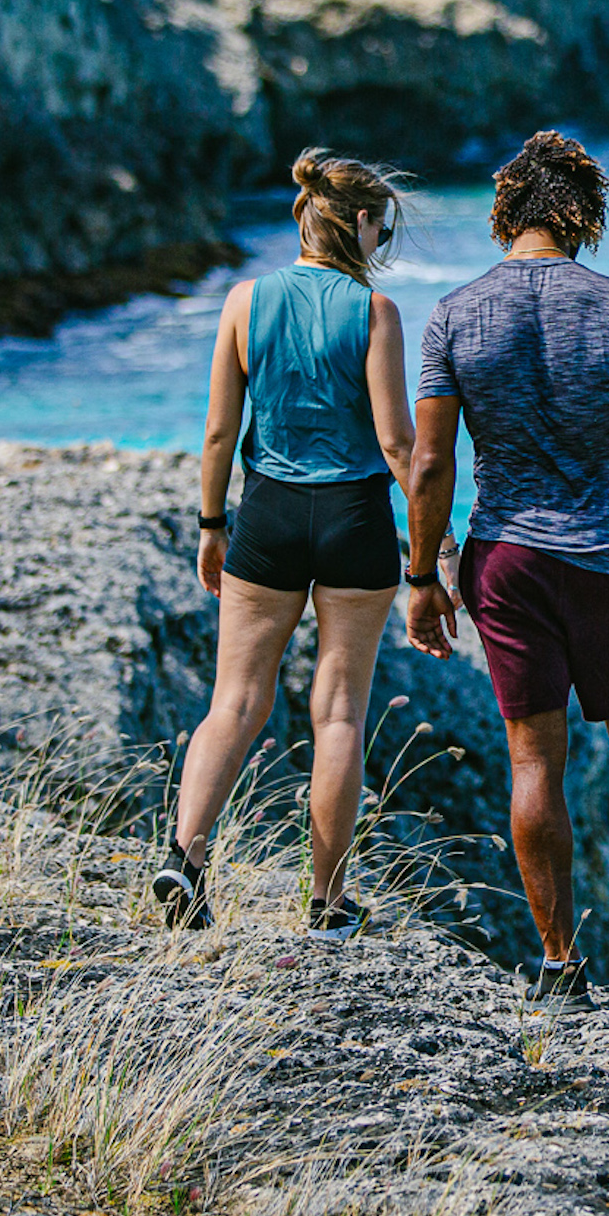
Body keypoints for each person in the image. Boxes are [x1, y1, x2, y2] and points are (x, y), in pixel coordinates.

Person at [404, 130, 609, 1006]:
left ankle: (558, 966)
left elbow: (431, 465)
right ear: (579, 213)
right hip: (607, 562)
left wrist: (423, 575)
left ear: (507, 214)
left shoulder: (452, 315)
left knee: (532, 761)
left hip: (505, 560)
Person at [154, 149, 417, 935]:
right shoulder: (375, 314)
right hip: (354, 520)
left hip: (265, 515)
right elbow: (399, 444)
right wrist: (439, 546)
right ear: (361, 223)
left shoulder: (243, 301)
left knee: (233, 701)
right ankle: (329, 905)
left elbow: (217, 432)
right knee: (337, 715)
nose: (384, 241)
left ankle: (185, 860)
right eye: (384, 227)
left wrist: (211, 525)